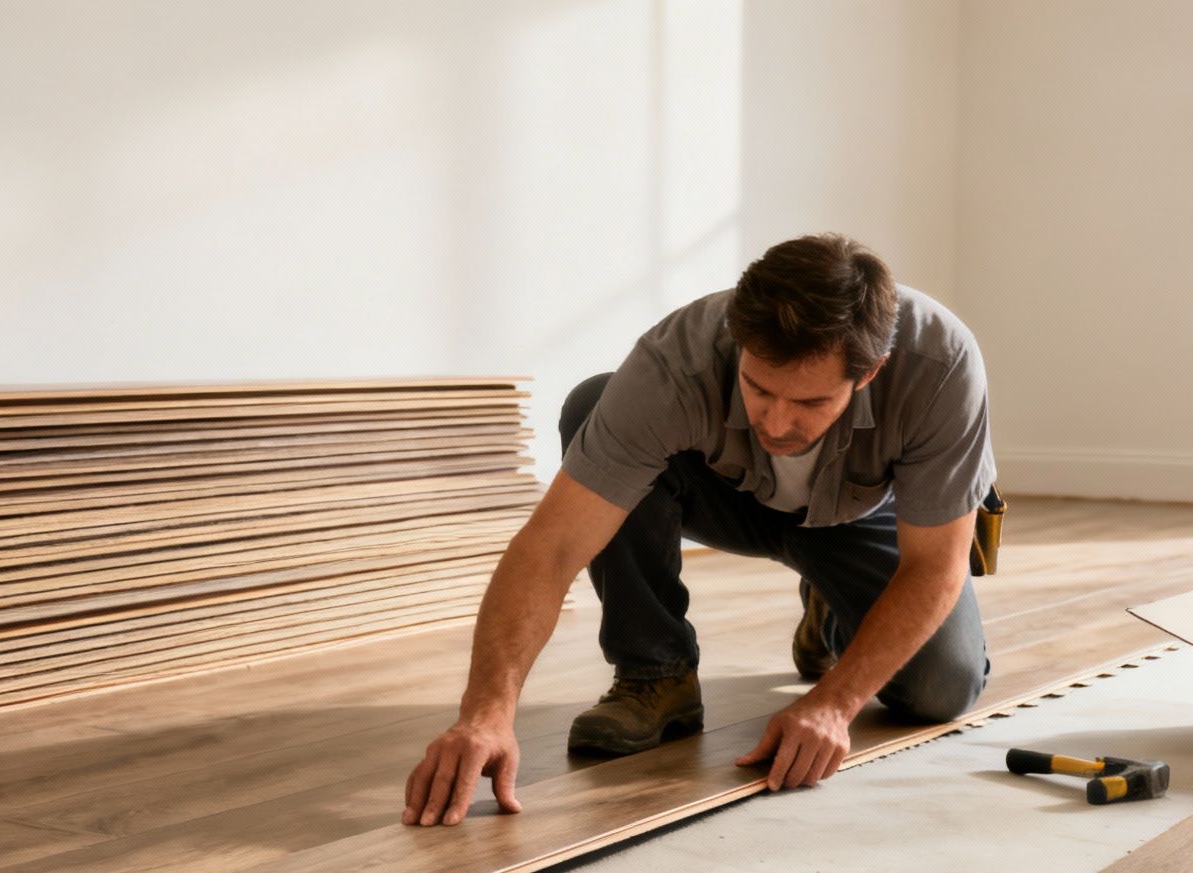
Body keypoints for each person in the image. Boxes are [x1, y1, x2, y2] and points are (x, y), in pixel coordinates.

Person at [401, 233, 995, 827]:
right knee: (594, 401)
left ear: (869, 374)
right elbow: (551, 547)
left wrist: (834, 704)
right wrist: (486, 713)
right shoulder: (674, 361)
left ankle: (834, 604)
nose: (777, 421)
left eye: (809, 401)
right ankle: (654, 675)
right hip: (730, 497)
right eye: (758, 388)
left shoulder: (939, 366)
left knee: (940, 690)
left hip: (856, 518)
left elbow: (935, 565)